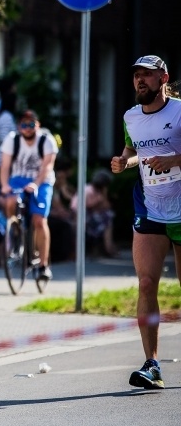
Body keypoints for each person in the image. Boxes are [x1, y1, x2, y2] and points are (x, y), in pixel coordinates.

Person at [111, 54, 181, 390]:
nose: (140, 80)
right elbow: (131, 150)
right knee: (146, 283)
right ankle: (152, 364)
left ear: (163, 79)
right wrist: (124, 161)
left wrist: (172, 159)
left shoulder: (180, 111)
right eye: (136, 75)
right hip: (150, 205)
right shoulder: (131, 117)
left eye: (147, 75)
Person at [0, 109, 59, 280]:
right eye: (24, 125)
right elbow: (4, 166)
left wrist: (36, 183)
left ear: (37, 125)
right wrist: (4, 185)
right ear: (19, 127)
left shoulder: (46, 140)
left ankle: (43, 265)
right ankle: (16, 232)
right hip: (18, 179)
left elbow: (47, 166)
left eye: (31, 124)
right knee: (10, 201)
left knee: (39, 220)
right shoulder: (12, 140)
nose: (27, 128)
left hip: (42, 180)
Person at [71, 169, 117, 257]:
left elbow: (105, 206)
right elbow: (78, 207)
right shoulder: (88, 190)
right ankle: (108, 246)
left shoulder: (95, 191)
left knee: (108, 215)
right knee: (108, 218)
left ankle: (108, 245)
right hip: (80, 215)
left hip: (87, 214)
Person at [48, 159, 76, 263]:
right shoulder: (51, 189)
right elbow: (59, 205)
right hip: (49, 215)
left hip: (54, 214)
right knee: (68, 225)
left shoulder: (57, 189)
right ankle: (66, 254)